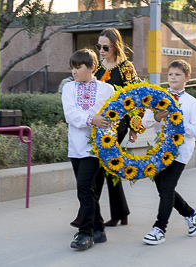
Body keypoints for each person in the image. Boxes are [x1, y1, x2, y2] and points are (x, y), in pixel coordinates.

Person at [70, 28, 140, 228]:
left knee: (103, 169)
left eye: (105, 47)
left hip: (117, 126)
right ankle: (115, 213)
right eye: (98, 46)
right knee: (106, 170)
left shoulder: (126, 68)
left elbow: (133, 98)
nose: (101, 50)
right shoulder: (97, 67)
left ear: (115, 46)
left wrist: (135, 127)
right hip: (97, 123)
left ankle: (89, 215)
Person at [141, 59, 196, 245]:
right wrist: (156, 116)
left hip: (180, 151)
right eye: (170, 74)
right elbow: (145, 123)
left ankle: (159, 229)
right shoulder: (157, 98)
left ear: (187, 78)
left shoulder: (192, 103)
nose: (173, 78)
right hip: (159, 150)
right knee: (162, 187)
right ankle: (190, 213)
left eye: (177, 75)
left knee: (167, 188)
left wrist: (180, 126)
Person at [62, 49, 114, 250]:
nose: (74, 72)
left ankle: (86, 233)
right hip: (76, 147)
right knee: (89, 190)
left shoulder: (106, 89)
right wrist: (92, 119)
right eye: (72, 68)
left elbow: (113, 116)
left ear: (92, 67)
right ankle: (99, 229)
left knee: (84, 188)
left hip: (97, 148)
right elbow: (70, 115)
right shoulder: (68, 88)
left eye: (78, 67)